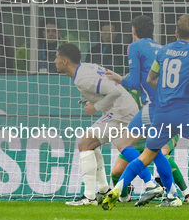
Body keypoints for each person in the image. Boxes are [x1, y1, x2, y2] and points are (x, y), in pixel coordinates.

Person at [102, 14, 189, 210]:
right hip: (183, 112)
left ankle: (118, 188)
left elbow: (149, 79)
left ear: (176, 33)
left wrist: (166, 92)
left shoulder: (164, 51)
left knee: (146, 156)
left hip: (161, 113)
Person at [105, 15, 189, 206]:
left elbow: (133, 83)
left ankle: (151, 184)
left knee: (125, 144)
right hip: (165, 105)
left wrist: (117, 78)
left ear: (133, 31)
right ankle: (172, 195)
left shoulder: (134, 46)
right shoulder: (159, 47)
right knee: (152, 150)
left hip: (156, 106)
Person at [54, 43, 156, 206]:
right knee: (120, 148)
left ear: (65, 60)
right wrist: (96, 100)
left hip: (119, 112)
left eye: (57, 57)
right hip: (122, 109)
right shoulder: (87, 68)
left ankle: (90, 196)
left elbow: (114, 91)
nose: (55, 61)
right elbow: (110, 83)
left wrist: (96, 106)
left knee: (85, 144)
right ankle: (144, 184)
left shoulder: (83, 78)